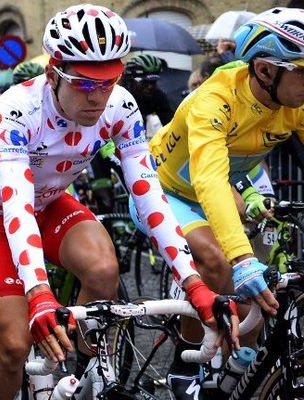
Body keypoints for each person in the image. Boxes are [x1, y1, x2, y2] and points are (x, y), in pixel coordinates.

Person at [0, 5, 238, 399]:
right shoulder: (17, 108)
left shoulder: (120, 106)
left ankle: (79, 376)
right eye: (85, 84)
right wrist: (38, 294)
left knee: (105, 269)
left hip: (52, 200)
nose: (98, 96)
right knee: (14, 345)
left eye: (109, 82)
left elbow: (148, 195)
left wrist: (191, 281)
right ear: (53, 75)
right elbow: (17, 205)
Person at [142, 7, 304, 398]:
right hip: (165, 192)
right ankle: (184, 368)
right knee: (218, 260)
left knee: (269, 284)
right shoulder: (214, 99)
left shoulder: (292, 100)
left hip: (218, 188)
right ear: (265, 70)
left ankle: (252, 371)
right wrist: (241, 258)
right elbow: (209, 178)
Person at [121, 54, 174, 130]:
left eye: (153, 82)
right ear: (130, 80)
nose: (150, 86)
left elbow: (170, 125)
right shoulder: (119, 96)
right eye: (145, 82)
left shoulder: (158, 96)